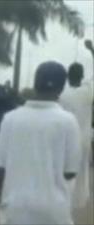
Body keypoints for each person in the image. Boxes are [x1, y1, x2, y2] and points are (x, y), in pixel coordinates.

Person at [0, 61, 81, 225]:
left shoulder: (10, 119)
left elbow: (0, 168)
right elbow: (70, 172)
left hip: (15, 209)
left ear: (35, 84)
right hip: (54, 212)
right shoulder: (69, 122)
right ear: (61, 89)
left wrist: (3, 204)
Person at [59, 62, 93, 209]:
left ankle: (65, 200)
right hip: (84, 140)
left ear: (68, 77)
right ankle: (80, 200)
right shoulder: (87, 92)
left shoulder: (62, 96)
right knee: (82, 173)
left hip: (66, 141)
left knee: (64, 173)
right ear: (82, 76)